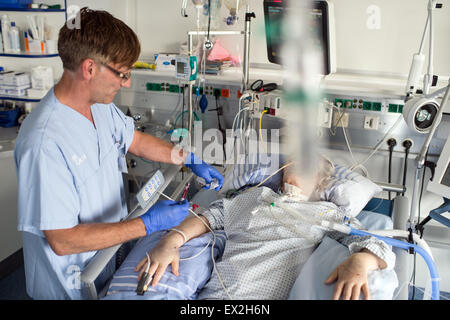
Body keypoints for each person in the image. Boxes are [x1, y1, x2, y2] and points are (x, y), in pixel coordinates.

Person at [14, 7, 223, 300]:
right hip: (68, 283)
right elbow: (62, 240)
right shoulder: (44, 143)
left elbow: (134, 140)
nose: (126, 83)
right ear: (89, 69)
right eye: (123, 74)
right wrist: (146, 225)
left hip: (107, 258)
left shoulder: (99, 105)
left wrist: (186, 157)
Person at [135, 158, 395, 300]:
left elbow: (376, 243)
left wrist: (360, 261)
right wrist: (171, 241)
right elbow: (210, 216)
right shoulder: (257, 197)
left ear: (319, 180)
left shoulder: (328, 213)